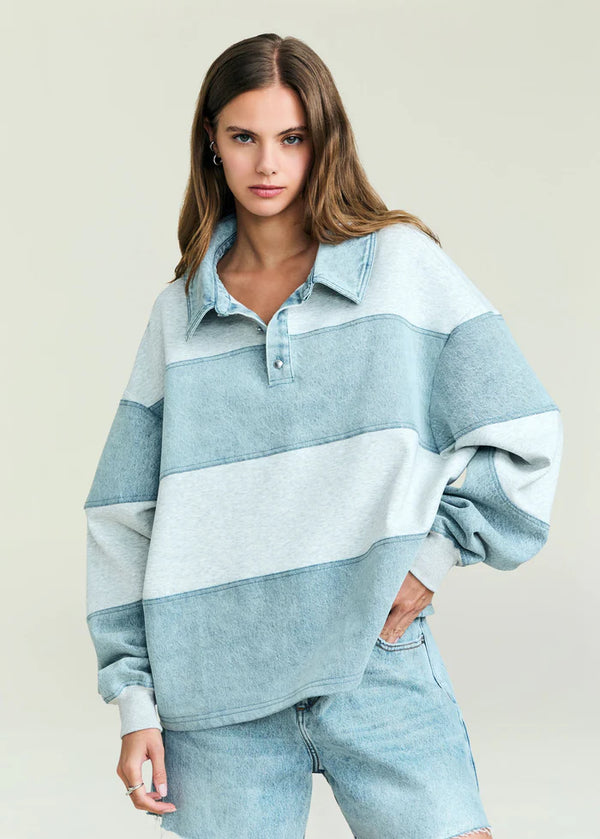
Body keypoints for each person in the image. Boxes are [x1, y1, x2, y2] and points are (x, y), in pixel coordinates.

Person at [83, 32, 563, 839]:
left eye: (292, 138)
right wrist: (135, 704)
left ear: (323, 142)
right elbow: (121, 517)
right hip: (215, 695)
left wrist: (434, 555)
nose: (268, 163)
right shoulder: (179, 316)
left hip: (373, 663)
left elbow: (524, 426)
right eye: (245, 137)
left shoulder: (401, 268)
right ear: (212, 143)